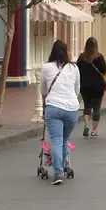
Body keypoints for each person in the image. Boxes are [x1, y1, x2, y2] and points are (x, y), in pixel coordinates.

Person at [41, 40, 80, 184]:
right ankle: (63, 167)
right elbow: (77, 90)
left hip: (53, 107)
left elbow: (43, 90)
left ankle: (58, 174)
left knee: (56, 140)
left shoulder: (46, 67)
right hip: (71, 109)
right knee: (64, 140)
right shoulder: (74, 68)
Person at [77, 37, 106, 137]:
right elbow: (105, 71)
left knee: (87, 107)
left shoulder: (81, 58)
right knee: (96, 108)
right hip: (98, 86)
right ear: (96, 46)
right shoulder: (99, 57)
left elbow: (77, 72)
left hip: (85, 86)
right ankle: (94, 130)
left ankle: (87, 124)